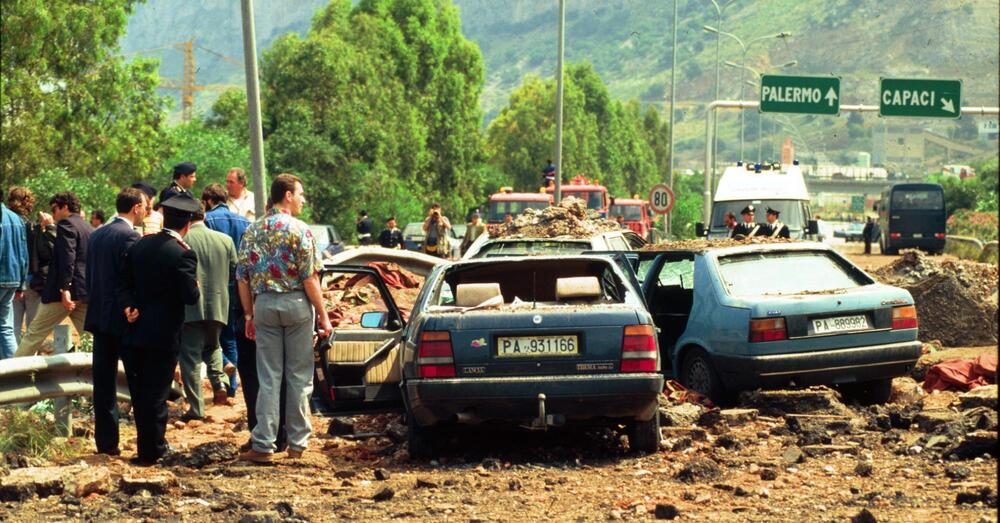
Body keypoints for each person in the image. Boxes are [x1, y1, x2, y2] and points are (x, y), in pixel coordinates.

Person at [236, 174, 331, 463]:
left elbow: (242, 278)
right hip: (296, 304)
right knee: (299, 377)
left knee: (268, 377)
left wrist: (249, 314)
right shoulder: (300, 230)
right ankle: (298, 444)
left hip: (264, 305)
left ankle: (263, 443)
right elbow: (310, 278)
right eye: (300, 194)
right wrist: (324, 318)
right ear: (287, 196)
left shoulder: (253, 231)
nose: (303, 199)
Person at [117, 193, 201, 466]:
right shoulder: (183, 253)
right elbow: (190, 297)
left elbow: (123, 283)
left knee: (140, 393)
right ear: (187, 224)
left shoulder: (140, 245)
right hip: (163, 334)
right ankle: (153, 450)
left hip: (135, 330)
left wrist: (129, 305)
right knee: (157, 393)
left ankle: (147, 446)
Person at [84, 187, 146, 455]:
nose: (146, 211)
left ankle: (107, 443)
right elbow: (129, 279)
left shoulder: (97, 235)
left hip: (99, 317)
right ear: (135, 208)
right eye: (144, 206)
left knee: (104, 383)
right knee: (138, 381)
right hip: (123, 319)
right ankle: (146, 440)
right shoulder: (130, 236)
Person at [15, 192, 93, 357]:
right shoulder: (88, 228)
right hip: (84, 292)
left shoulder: (66, 225)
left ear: (65, 207)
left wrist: (65, 289)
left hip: (62, 294)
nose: (54, 213)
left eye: (55, 209)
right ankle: (111, 372)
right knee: (91, 337)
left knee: (33, 335)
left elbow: (67, 258)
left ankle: (9, 379)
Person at [180, 203, 237, 420]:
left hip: (191, 309)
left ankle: (196, 410)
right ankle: (220, 383)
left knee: (191, 358)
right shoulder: (225, 240)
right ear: (204, 216)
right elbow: (235, 270)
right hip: (219, 306)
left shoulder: (182, 241)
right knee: (213, 345)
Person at [203, 182, 251, 394]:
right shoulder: (245, 222)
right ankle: (231, 388)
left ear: (209, 202)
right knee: (231, 335)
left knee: (209, 335)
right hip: (239, 286)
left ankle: (220, 379)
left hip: (215, 285)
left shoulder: (206, 220)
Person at [6, 187, 45, 346]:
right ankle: (30, 364)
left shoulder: (7, 223)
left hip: (11, 279)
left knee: (11, 326)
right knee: (32, 327)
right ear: (28, 202)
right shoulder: (33, 226)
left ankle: (12, 363)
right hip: (32, 281)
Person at [0, 187, 29, 360]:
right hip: (12, 280)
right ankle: (15, 377)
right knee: (5, 328)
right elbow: (23, 255)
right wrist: (21, 284)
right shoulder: (16, 219)